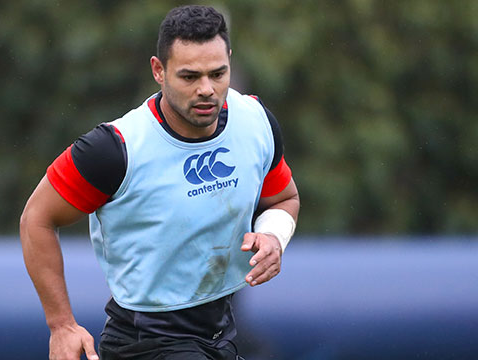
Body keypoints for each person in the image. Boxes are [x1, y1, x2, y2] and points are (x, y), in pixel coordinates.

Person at [20, 5, 300, 360]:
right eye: (189, 77)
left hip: (223, 331)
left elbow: (283, 199)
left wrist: (274, 235)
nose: (207, 90)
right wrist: (61, 326)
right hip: (146, 341)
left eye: (218, 74)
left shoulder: (256, 122)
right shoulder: (114, 148)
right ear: (159, 71)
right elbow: (37, 218)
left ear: (230, 60)